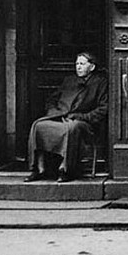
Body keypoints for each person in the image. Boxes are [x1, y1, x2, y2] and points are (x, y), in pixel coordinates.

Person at [25, 52, 108, 183]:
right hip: (60, 116)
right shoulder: (69, 80)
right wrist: (53, 112)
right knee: (38, 126)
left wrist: (81, 116)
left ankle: (65, 169)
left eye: (82, 64)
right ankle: (39, 168)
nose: (78, 67)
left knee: (71, 128)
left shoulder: (100, 83)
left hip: (84, 122)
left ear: (91, 67)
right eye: (77, 64)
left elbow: (102, 109)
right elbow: (52, 99)